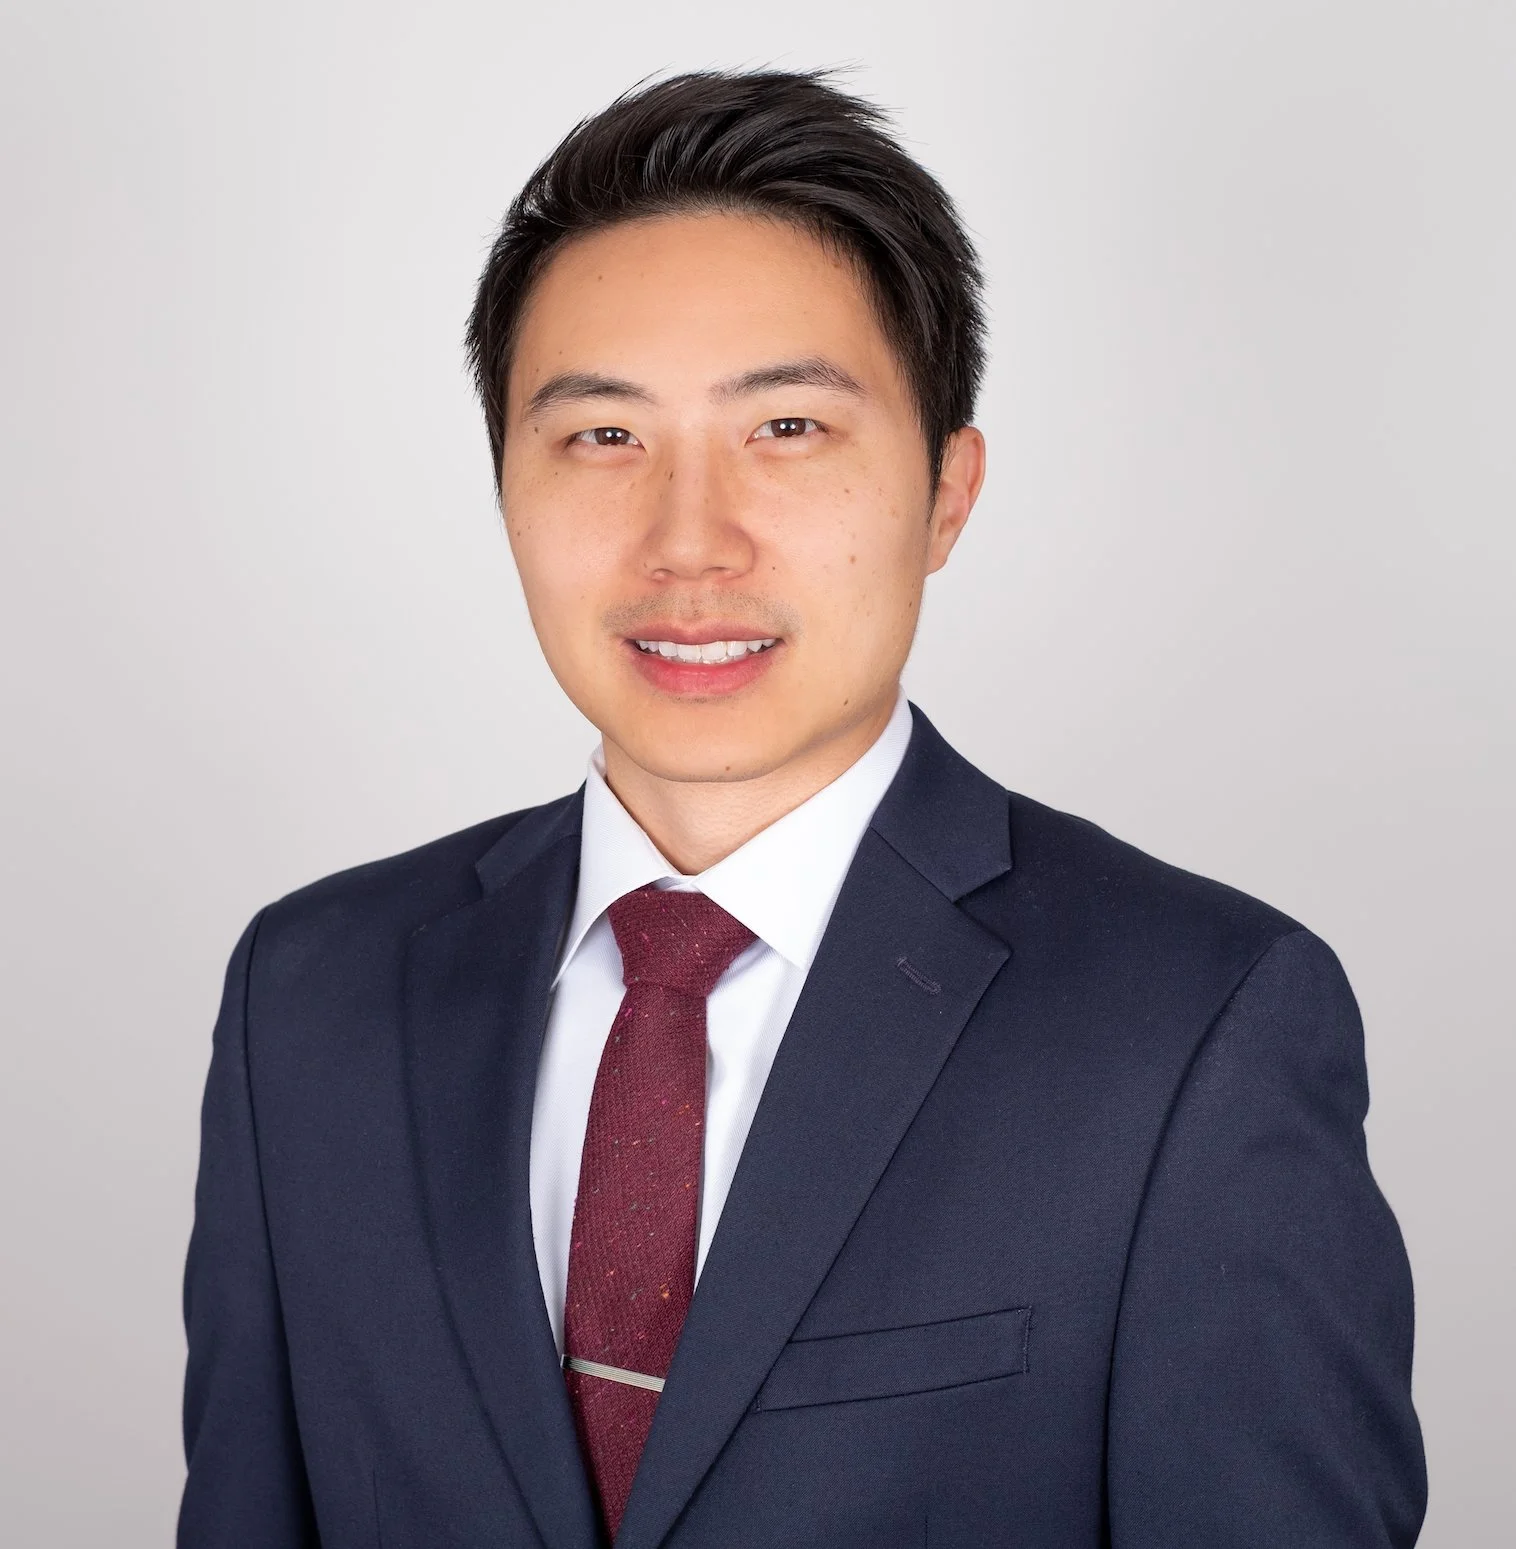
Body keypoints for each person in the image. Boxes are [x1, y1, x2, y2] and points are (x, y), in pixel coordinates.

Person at [178, 70, 1426, 1549]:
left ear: (945, 492)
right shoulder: (309, 994)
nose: (687, 542)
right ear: (504, 486)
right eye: (600, 437)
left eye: (786, 430)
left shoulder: (1195, 1024)